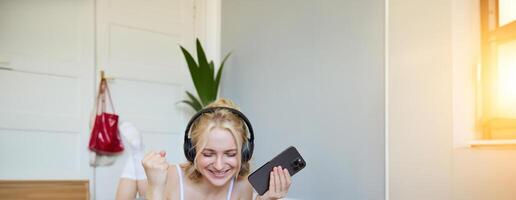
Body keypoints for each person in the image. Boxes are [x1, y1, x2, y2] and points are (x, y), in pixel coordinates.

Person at [116, 98, 292, 200]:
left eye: (230, 154)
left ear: (244, 152)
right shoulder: (170, 177)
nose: (219, 165)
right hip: (153, 183)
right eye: (208, 154)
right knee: (137, 184)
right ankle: (137, 153)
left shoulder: (244, 187)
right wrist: (155, 186)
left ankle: (136, 152)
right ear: (192, 151)